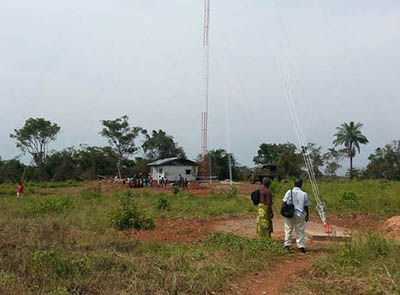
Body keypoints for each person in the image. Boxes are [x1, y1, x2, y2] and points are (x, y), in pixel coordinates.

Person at [282, 179, 311, 253]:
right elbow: (306, 206)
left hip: (289, 214)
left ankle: (287, 245)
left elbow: (284, 202)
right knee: (300, 231)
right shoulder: (304, 194)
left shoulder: (289, 192)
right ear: (301, 184)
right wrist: (307, 215)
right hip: (300, 214)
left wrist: (284, 211)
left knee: (288, 229)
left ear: (294, 184)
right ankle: (301, 247)